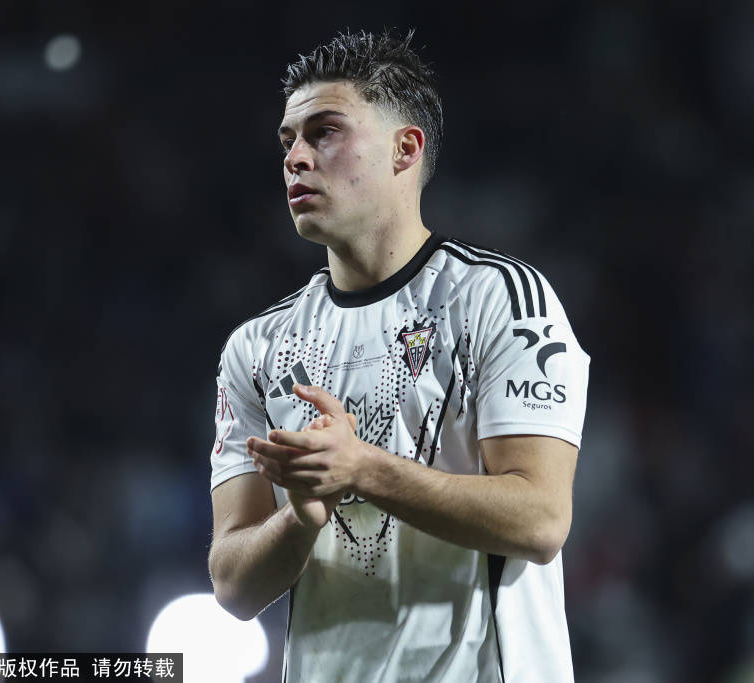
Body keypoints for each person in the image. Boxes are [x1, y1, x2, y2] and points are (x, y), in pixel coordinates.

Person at [207, 29, 590, 682]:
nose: (296, 158)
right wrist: (300, 518)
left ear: (404, 149)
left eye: (325, 132)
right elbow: (232, 585)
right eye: (288, 141)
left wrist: (361, 468)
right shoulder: (258, 347)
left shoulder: (497, 298)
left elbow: (542, 518)